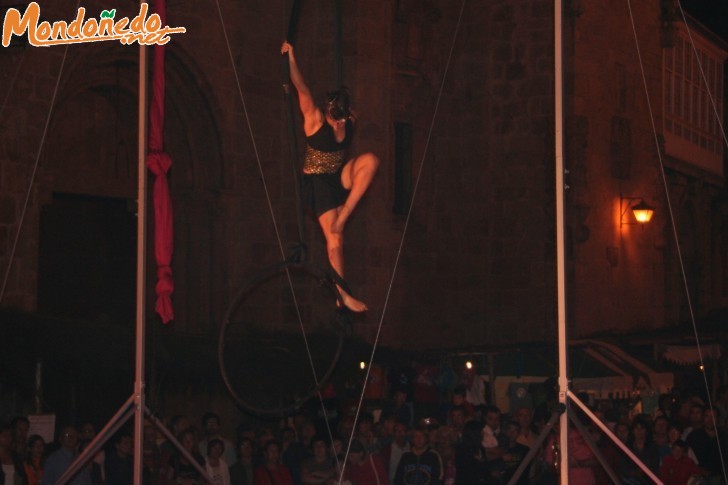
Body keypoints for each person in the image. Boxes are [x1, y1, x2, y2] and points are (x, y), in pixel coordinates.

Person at [280, 40, 380, 313]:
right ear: (327, 114)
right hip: (317, 184)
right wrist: (291, 57)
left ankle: (344, 216)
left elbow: (349, 147)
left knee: (370, 161)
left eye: (342, 120)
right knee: (334, 241)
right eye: (335, 120)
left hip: (337, 176)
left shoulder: (349, 119)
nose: (338, 125)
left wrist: (343, 210)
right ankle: (342, 294)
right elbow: (302, 88)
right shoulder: (314, 119)